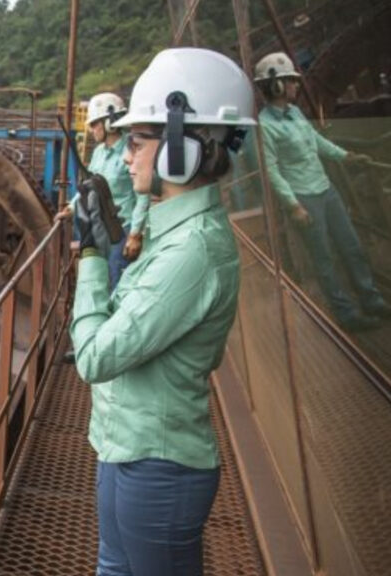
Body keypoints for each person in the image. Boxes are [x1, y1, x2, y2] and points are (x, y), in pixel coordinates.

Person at [70, 47, 257, 576]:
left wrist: (88, 252)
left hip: (159, 466)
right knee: (112, 568)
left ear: (182, 148)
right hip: (122, 442)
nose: (127, 157)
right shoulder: (167, 227)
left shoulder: (192, 253)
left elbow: (94, 357)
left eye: (136, 142)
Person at [255, 51, 388, 331]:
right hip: (304, 198)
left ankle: (371, 299)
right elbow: (272, 171)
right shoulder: (265, 126)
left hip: (326, 190)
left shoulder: (296, 112)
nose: (295, 86)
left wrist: (347, 156)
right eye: (290, 81)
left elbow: (316, 141)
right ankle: (348, 316)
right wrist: (293, 206)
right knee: (324, 259)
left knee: (351, 246)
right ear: (276, 85)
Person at [58, 93, 149, 289]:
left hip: (123, 229)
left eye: (94, 124)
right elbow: (91, 185)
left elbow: (143, 196)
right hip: (101, 227)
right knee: (101, 277)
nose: (91, 130)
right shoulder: (99, 153)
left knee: (116, 277)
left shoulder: (130, 150)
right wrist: (72, 208)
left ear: (109, 123)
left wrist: (135, 234)